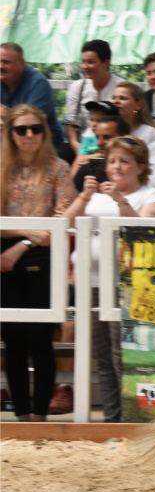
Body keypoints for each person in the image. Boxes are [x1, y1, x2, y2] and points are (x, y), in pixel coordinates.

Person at [62, 136, 155, 422]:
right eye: (112, 161)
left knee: (124, 355)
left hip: (128, 286)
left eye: (125, 161)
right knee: (103, 357)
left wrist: (120, 201)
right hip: (92, 285)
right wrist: (84, 196)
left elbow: (142, 233)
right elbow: (66, 223)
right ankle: (112, 420)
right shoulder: (93, 197)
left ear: (141, 166)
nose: (117, 167)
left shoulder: (153, 195)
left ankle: (131, 419)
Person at [1, 104, 76, 422]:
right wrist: (27, 233)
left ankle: (39, 417)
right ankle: (21, 417)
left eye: (36, 128)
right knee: (14, 341)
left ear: (45, 132)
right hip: (5, 260)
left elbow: (63, 218)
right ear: (11, 133)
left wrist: (23, 242)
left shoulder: (59, 168)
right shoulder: (1, 167)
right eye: (21, 129)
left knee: (40, 340)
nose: (29, 135)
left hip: (46, 260)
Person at [1, 42, 71, 162]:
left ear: (21, 63)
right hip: (10, 143)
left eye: (6, 62)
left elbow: (30, 122)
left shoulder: (37, 83)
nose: (1, 66)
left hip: (44, 145)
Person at [62, 40, 125, 156]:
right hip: (83, 144)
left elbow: (129, 120)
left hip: (112, 146)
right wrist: (78, 149)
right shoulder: (77, 87)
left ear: (106, 63)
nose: (85, 66)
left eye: (91, 62)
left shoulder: (121, 87)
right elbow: (70, 126)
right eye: (83, 62)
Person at [70, 115, 130, 192]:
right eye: (97, 137)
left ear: (124, 137)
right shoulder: (87, 171)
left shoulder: (133, 169)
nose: (99, 142)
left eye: (106, 137)